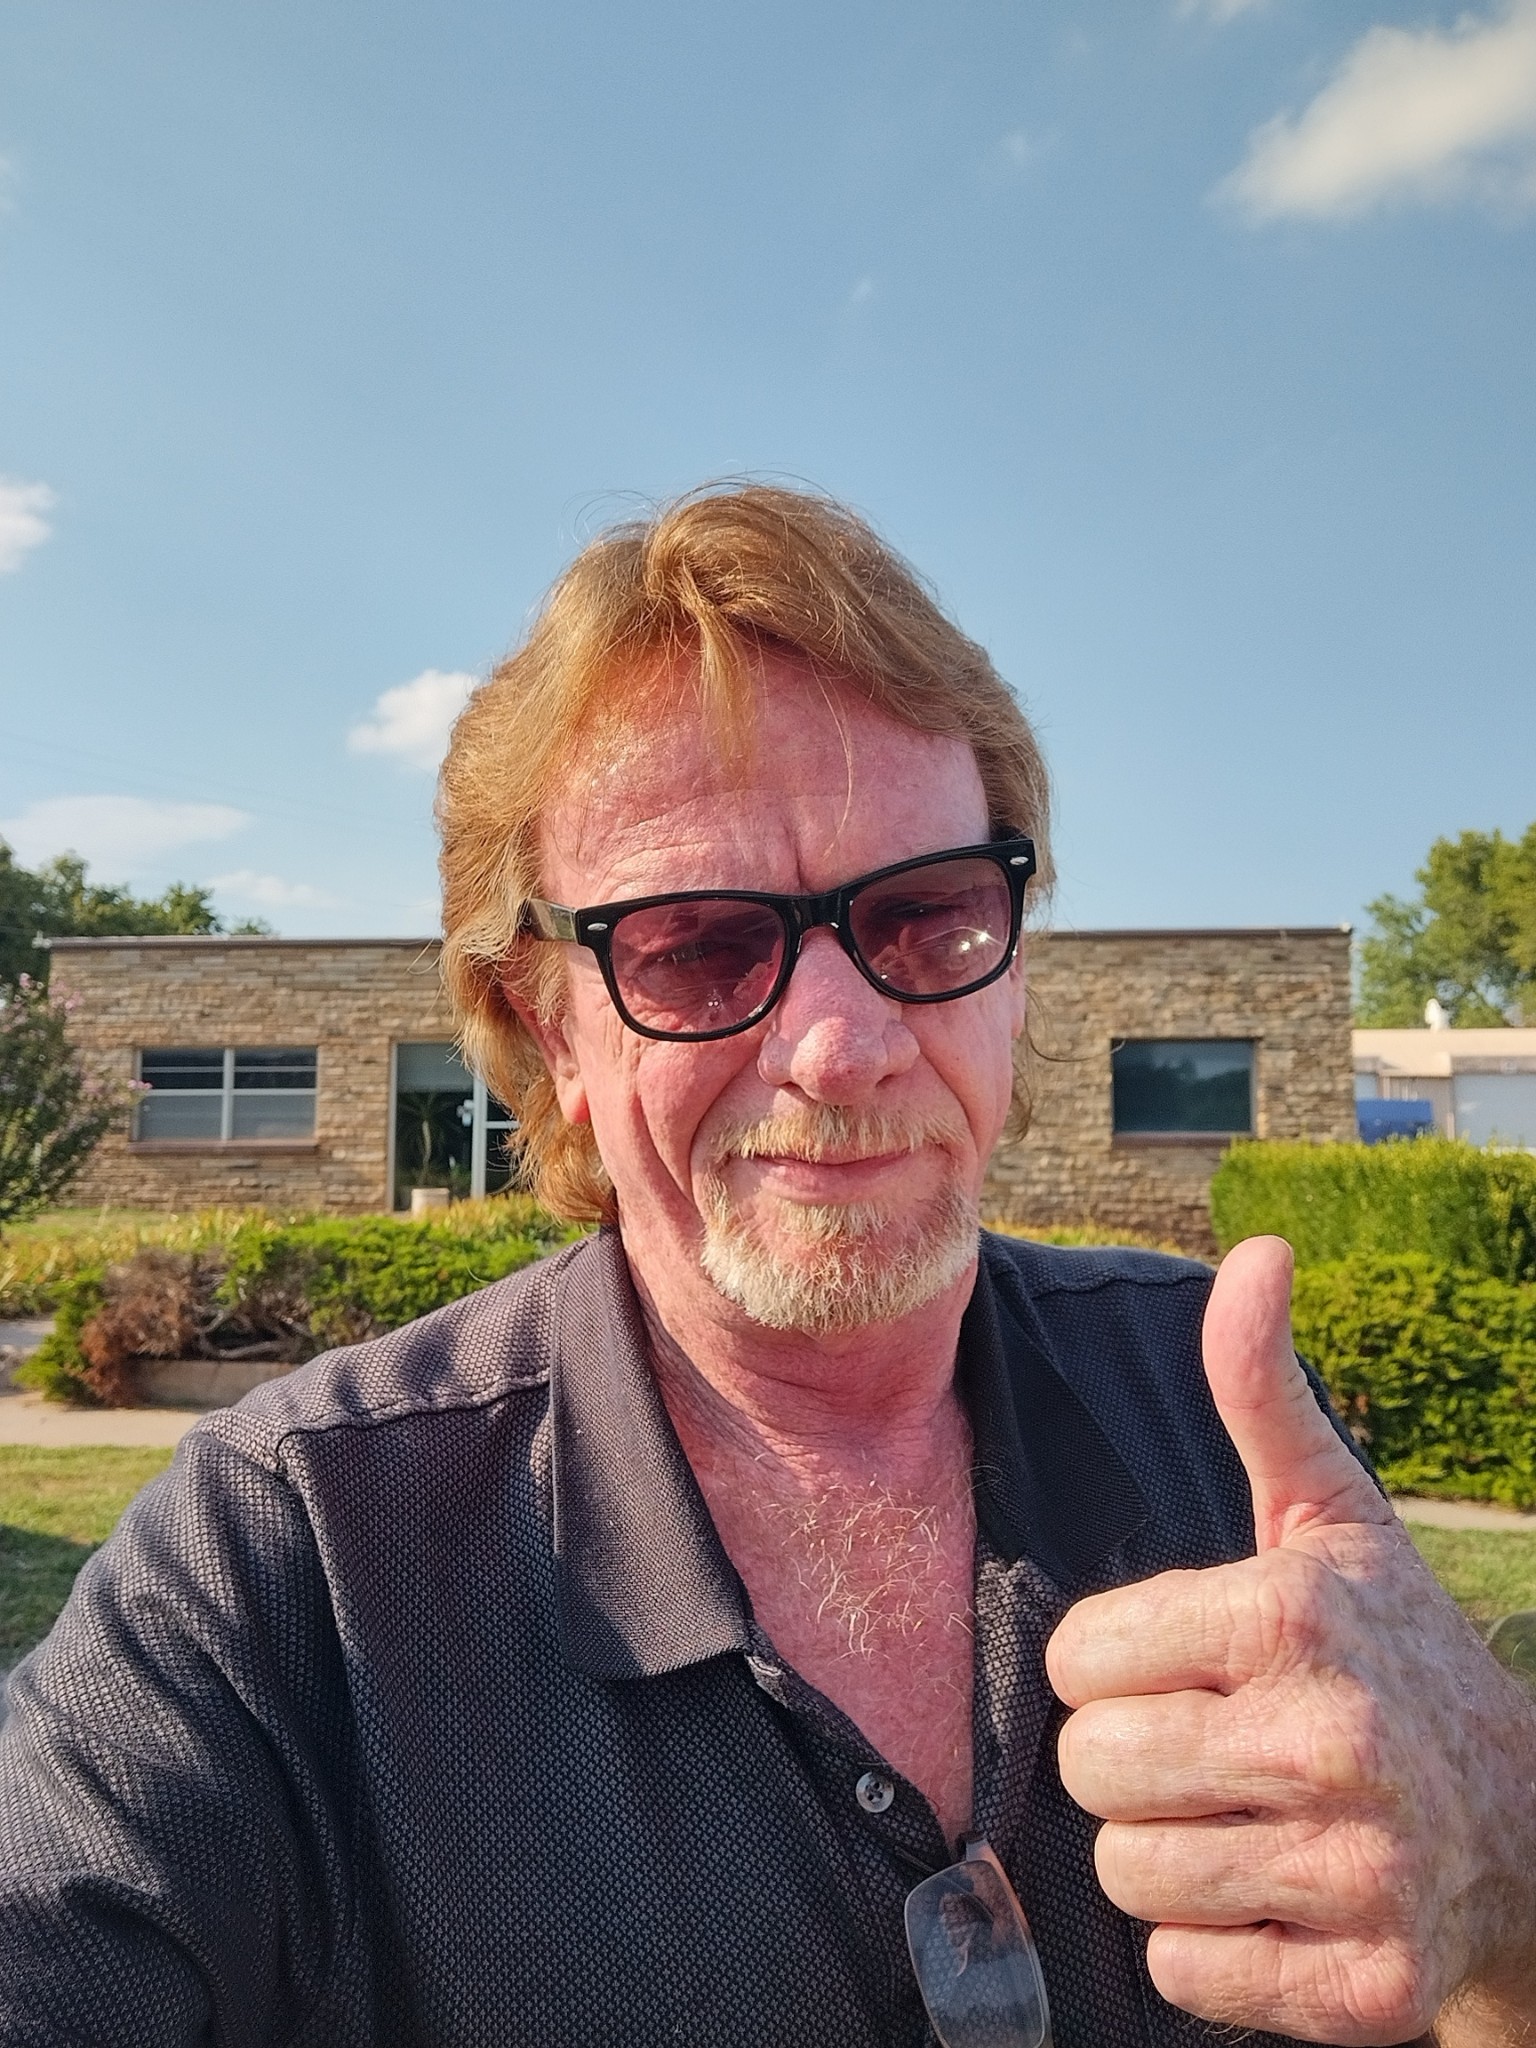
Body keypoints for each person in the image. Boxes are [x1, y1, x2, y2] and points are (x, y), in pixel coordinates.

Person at [0, 486, 1532, 2048]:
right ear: (550, 1029)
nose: (842, 1046)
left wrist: (1507, 1873)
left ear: (1010, 967)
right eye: (698, 947)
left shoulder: (1218, 1419)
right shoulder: (290, 1565)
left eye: (928, 918)